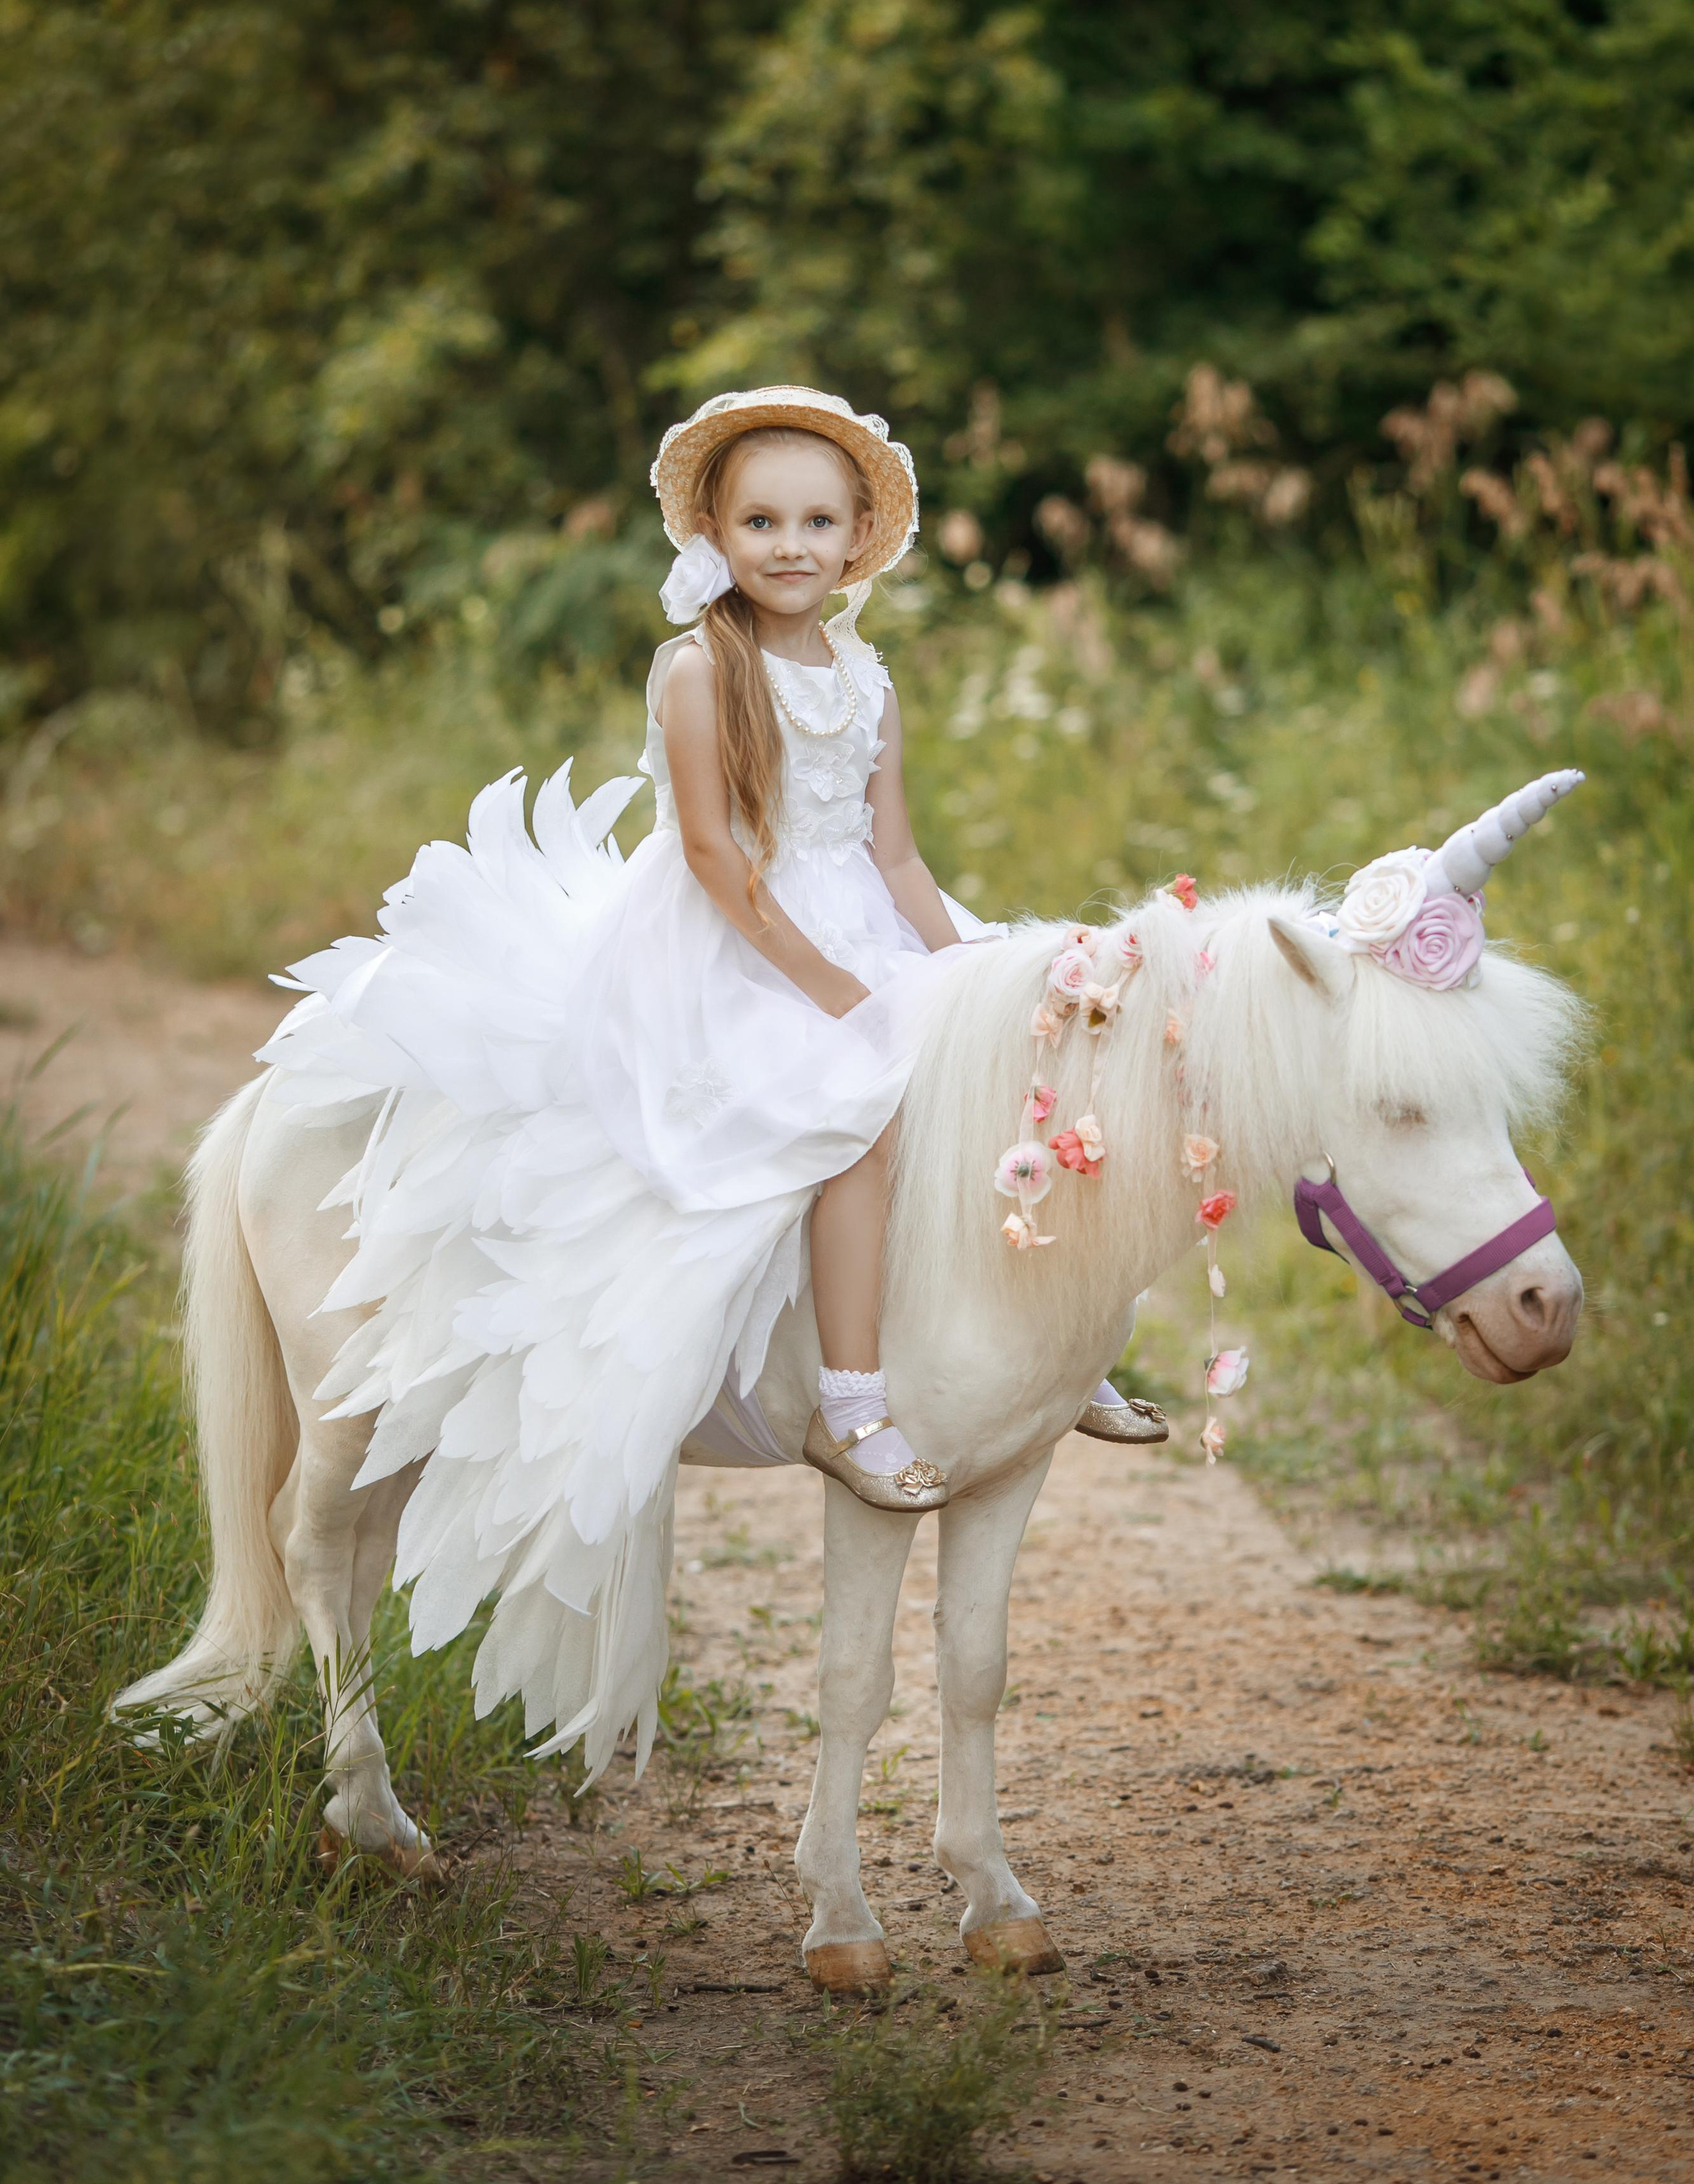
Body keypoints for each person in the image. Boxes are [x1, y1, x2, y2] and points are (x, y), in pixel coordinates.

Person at [259, 387, 1154, 1771]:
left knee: (1003, 1074)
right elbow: (717, 865)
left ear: (861, 538)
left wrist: (982, 969)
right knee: (858, 1116)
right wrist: (846, 995)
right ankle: (853, 1398)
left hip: (848, 924)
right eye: (758, 521)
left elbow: (897, 857)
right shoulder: (701, 670)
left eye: (814, 521)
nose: (787, 545)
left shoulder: (867, 679)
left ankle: (1042, 1355)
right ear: (716, 533)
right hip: (729, 951)